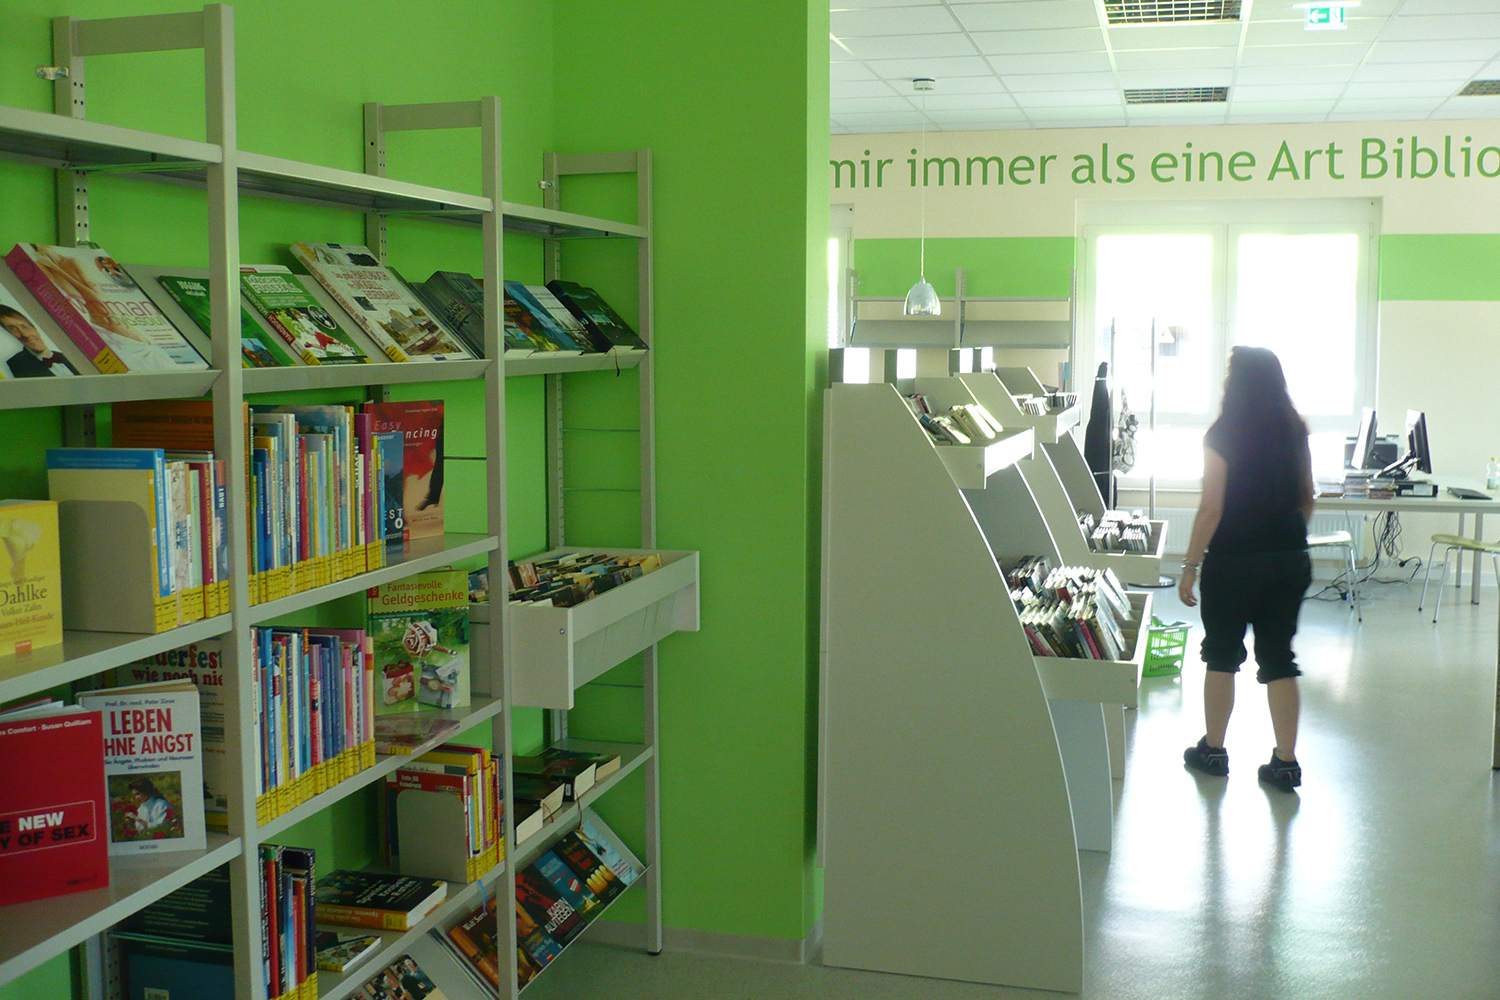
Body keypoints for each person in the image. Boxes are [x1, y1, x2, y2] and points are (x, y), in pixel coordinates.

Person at [1178, 346, 1314, 792]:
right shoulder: (1295, 430)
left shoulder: (1223, 433)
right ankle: (1286, 763)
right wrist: (1285, 544)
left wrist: (1190, 566)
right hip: (1289, 559)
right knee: (1279, 657)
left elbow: (1211, 509)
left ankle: (1213, 752)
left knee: (1221, 654)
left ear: (1235, 382)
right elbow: (1307, 497)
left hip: (1233, 562)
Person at [0, 304, 79, 377]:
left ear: (35, 328)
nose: (25, 334)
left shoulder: (67, 357)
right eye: (13, 330)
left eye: (24, 326)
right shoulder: (17, 363)